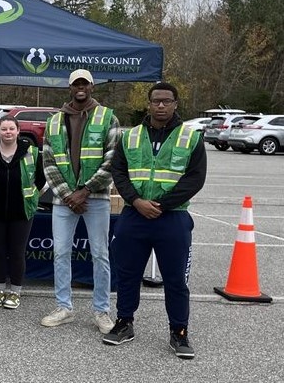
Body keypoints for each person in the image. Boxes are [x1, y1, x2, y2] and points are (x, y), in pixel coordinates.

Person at [104, 82, 206, 359]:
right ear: (148, 104)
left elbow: (195, 178)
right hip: (134, 216)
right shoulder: (131, 136)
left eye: (167, 101)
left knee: (175, 280)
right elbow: (119, 172)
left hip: (172, 218)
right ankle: (124, 322)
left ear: (175, 104)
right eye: (156, 101)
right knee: (127, 274)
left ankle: (179, 332)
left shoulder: (191, 137)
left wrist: (161, 205)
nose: (161, 105)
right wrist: (137, 202)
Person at [40, 69, 121, 335]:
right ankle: (64, 307)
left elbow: (113, 160)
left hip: (94, 198)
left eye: (84, 83)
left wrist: (84, 191)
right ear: (70, 88)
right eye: (76, 84)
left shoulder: (108, 117)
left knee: (100, 254)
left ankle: (101, 311)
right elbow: (49, 162)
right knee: (61, 253)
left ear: (92, 87)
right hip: (64, 200)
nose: (80, 87)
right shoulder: (54, 121)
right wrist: (67, 195)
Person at [0, 116, 45, 310]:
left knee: (17, 253)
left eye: (12, 128)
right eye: (4, 129)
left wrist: (33, 195)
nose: (8, 132)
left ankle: (15, 292)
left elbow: (41, 178)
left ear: (18, 131)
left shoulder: (32, 152)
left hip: (22, 211)